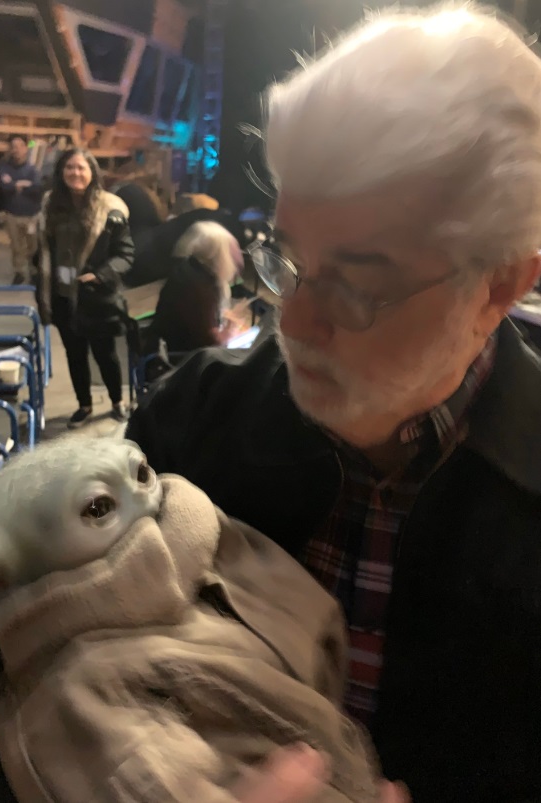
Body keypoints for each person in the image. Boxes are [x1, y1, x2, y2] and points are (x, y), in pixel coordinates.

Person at [124, 5, 541, 801]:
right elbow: (32, 687)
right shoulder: (184, 426)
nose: (295, 319)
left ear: (498, 286)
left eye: (358, 282)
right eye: (288, 258)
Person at [36, 147, 134, 428]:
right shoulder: (50, 205)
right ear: (61, 172)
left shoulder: (108, 208)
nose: (75, 173)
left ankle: (117, 402)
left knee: (106, 354)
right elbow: (43, 250)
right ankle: (85, 406)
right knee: (74, 354)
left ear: (92, 172)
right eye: (69, 168)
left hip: (95, 297)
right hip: (62, 296)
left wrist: (101, 275)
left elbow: (125, 255)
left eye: (81, 168)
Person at [142, 220, 244, 355]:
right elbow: (211, 344)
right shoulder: (200, 289)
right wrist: (230, 330)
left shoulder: (189, 268)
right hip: (180, 360)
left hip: (165, 346)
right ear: (220, 254)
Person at [0, 134, 42, 285]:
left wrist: (16, 184)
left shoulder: (33, 169)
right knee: (16, 247)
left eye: (19, 146)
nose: (16, 149)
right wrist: (22, 184)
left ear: (25, 148)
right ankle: (19, 272)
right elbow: (4, 187)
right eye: (13, 146)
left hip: (32, 216)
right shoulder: (4, 168)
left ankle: (34, 272)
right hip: (12, 215)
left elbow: (37, 188)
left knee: (33, 246)